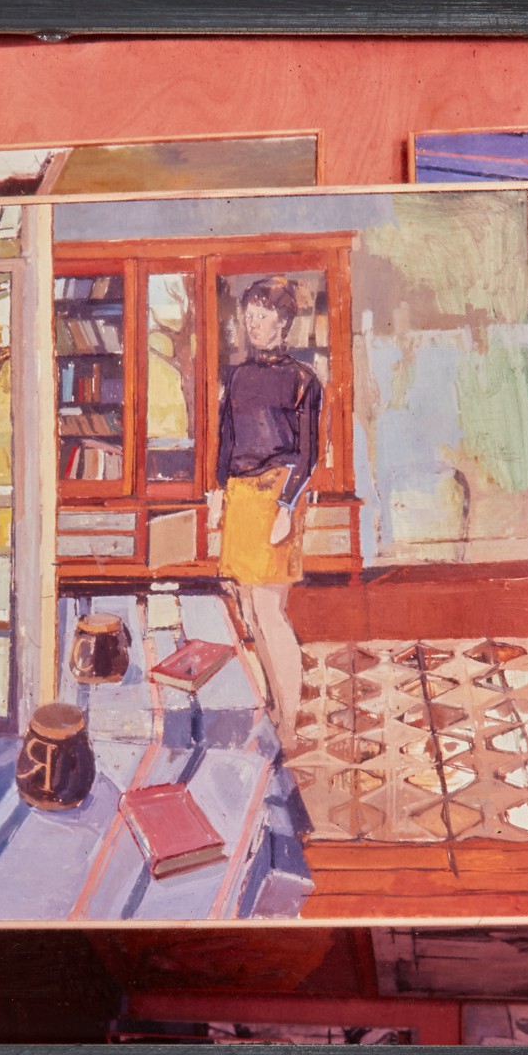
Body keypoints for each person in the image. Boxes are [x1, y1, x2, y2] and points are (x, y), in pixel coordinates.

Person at [206, 275, 322, 750]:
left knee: (271, 611)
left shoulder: (303, 380)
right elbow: (226, 439)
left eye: (262, 316)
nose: (253, 324)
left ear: (283, 322)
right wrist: (217, 492)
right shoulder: (236, 377)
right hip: (239, 495)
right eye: (249, 316)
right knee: (249, 611)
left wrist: (286, 506)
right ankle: (273, 702)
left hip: (277, 494)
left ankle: (290, 718)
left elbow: (308, 455)